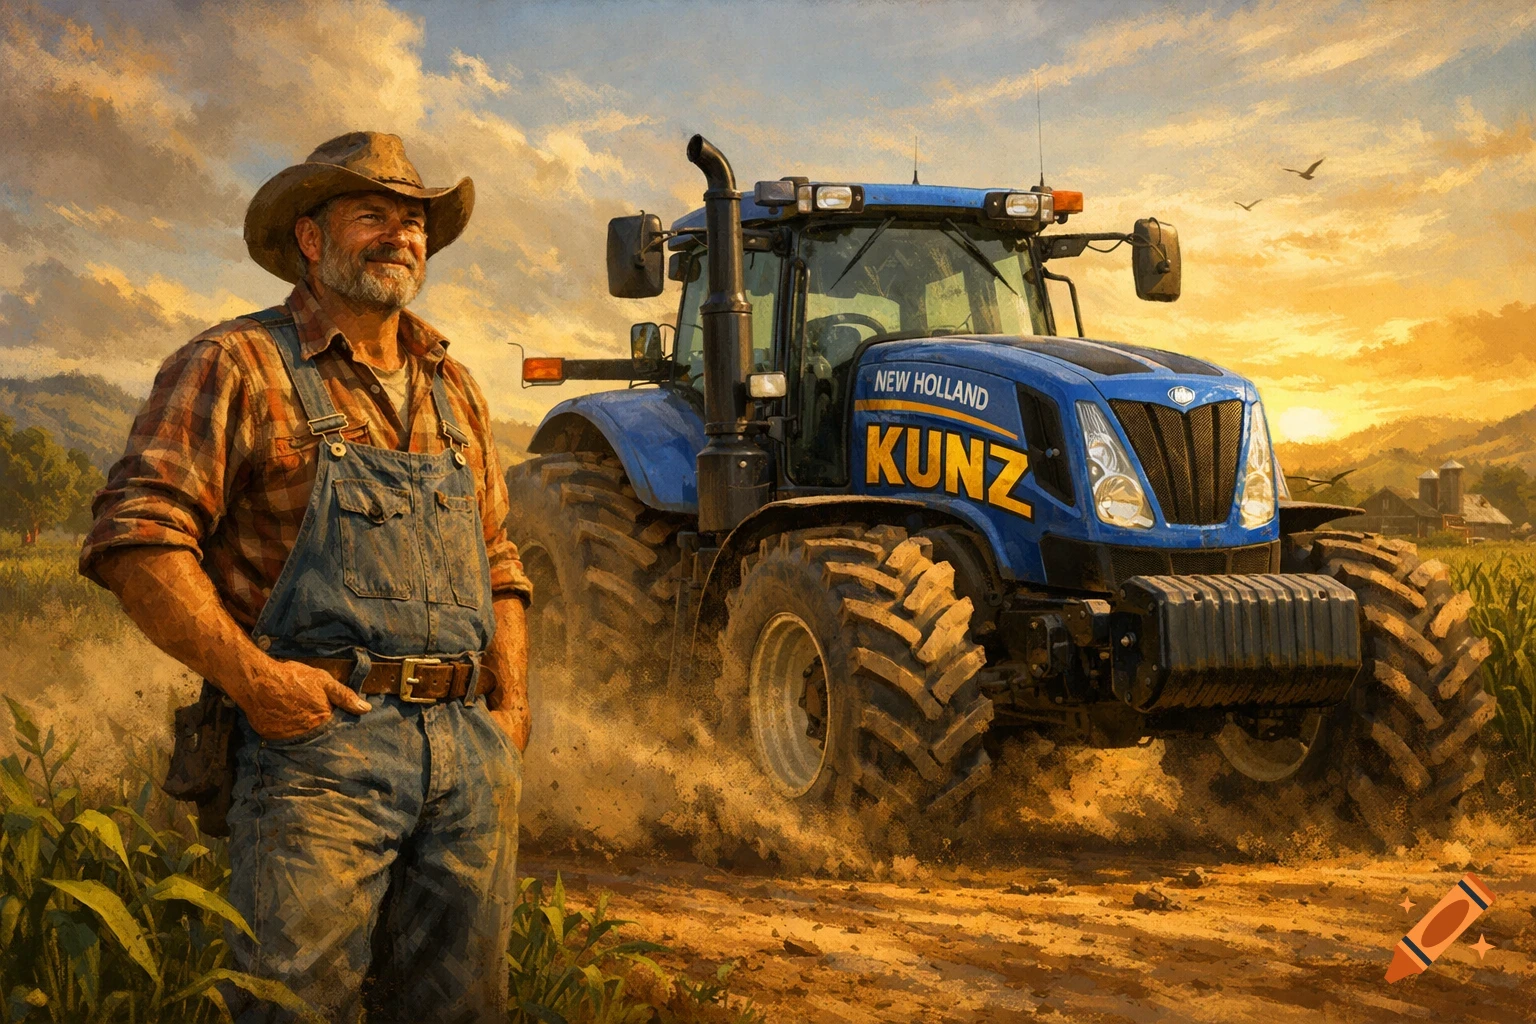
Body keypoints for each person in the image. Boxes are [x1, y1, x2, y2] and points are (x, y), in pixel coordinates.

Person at [80, 131, 532, 1023]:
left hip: (468, 762)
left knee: (461, 1010)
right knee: (292, 1006)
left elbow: (499, 559)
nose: (403, 234)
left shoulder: (457, 387)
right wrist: (256, 684)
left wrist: (509, 707)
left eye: (415, 221)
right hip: (317, 752)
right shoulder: (235, 365)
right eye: (375, 215)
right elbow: (137, 538)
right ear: (311, 239)